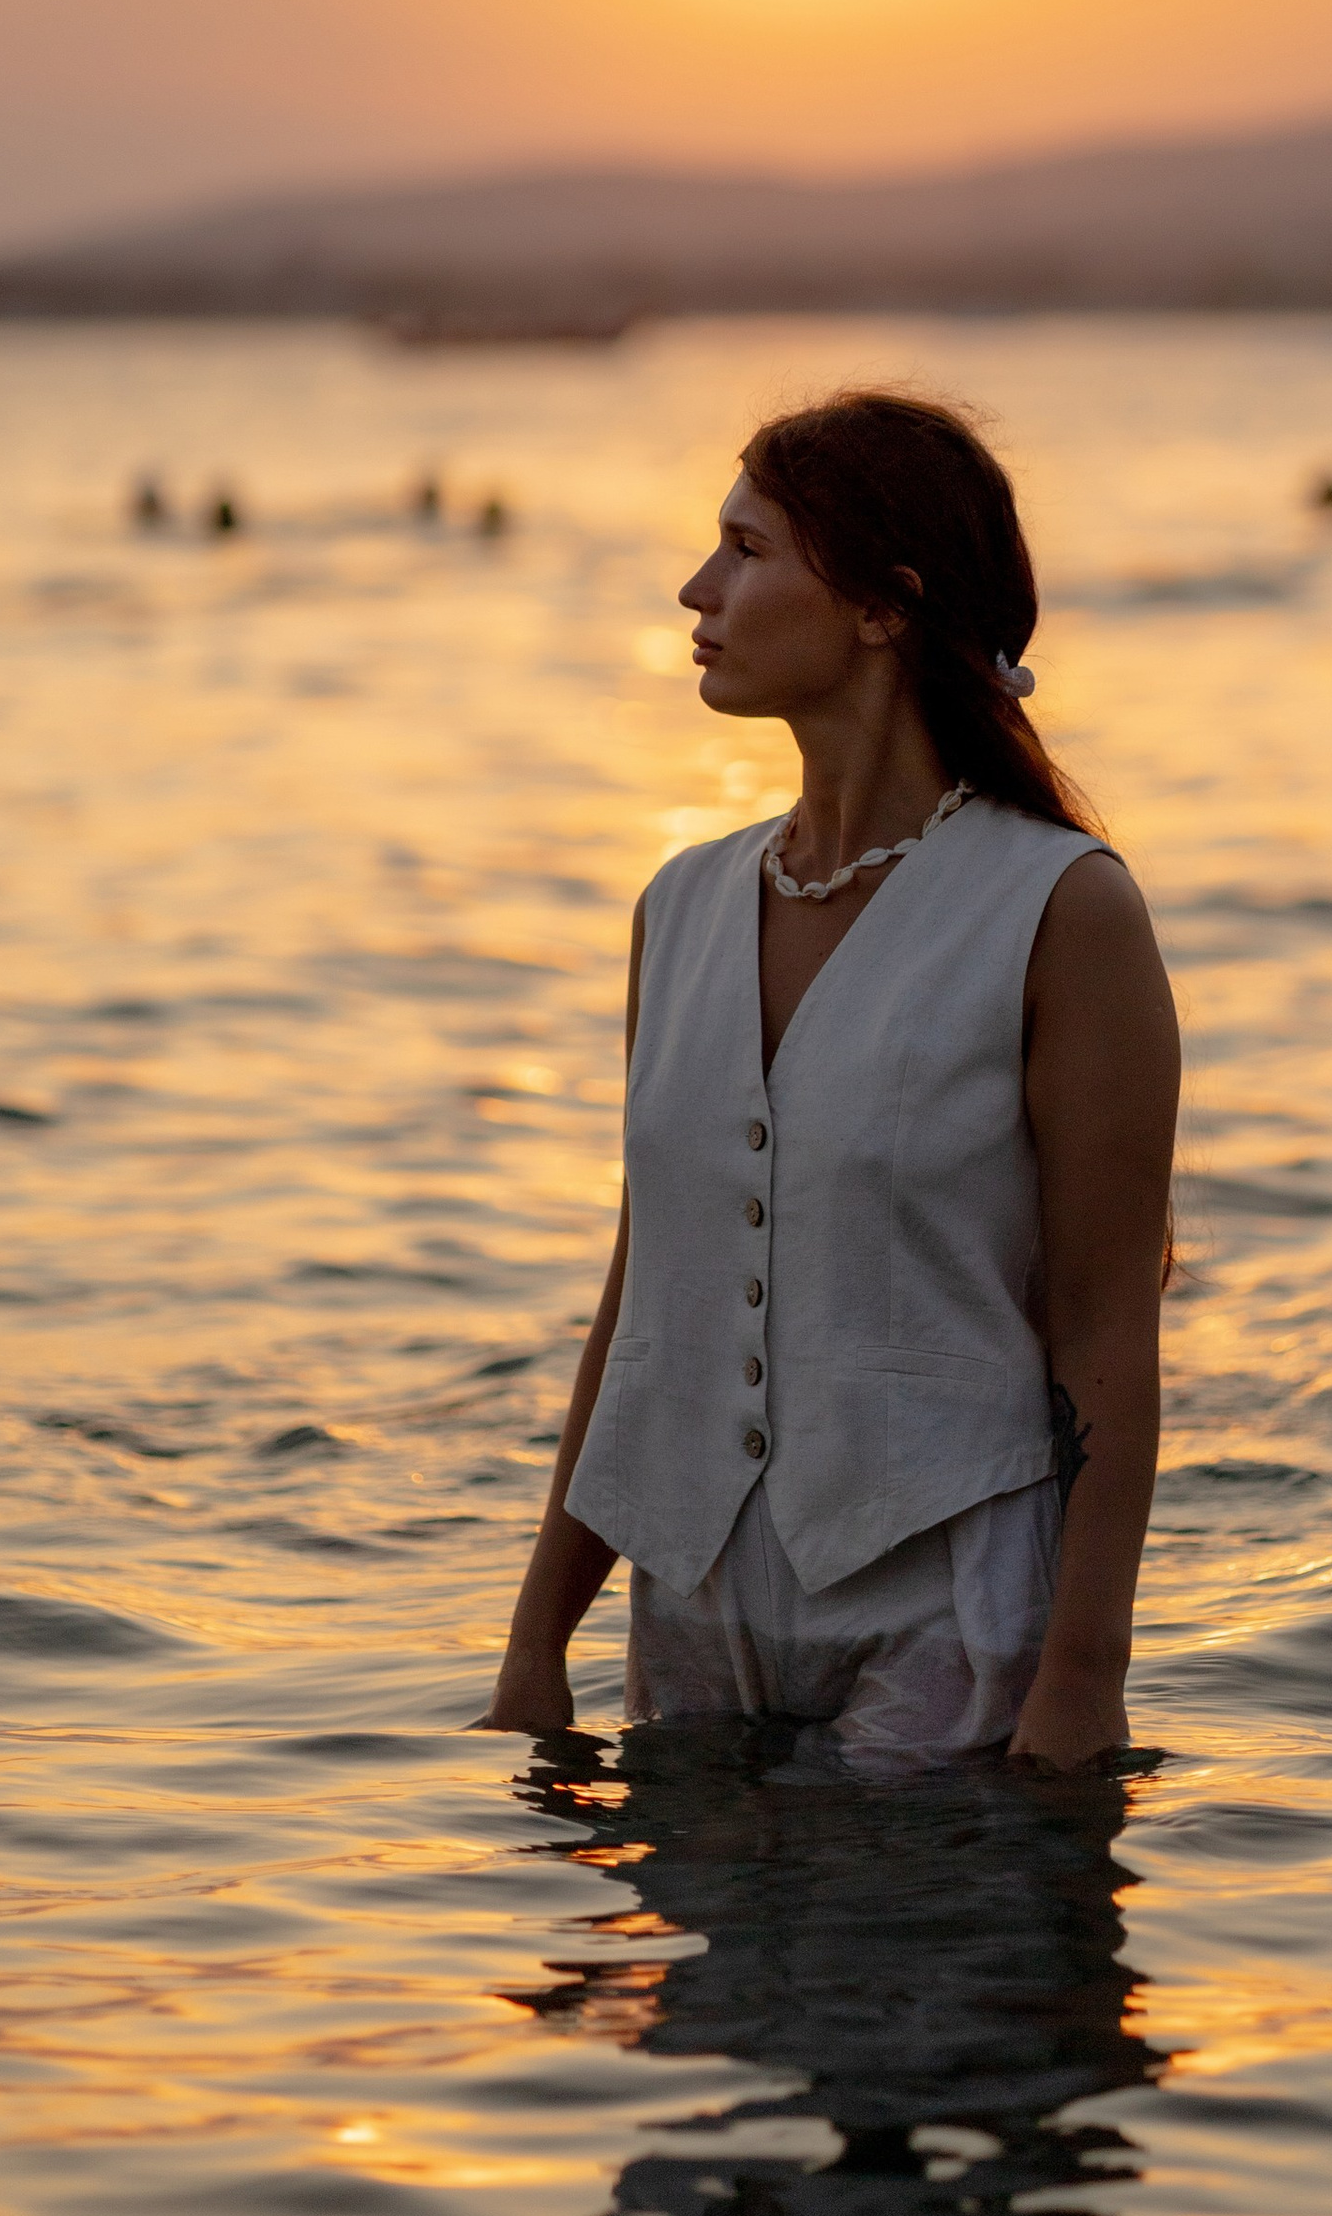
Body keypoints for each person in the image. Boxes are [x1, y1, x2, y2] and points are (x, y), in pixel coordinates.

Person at [476, 388, 1179, 1774]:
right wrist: (534, 1643)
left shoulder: (1061, 908)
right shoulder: (678, 907)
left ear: (882, 606)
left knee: (929, 1974)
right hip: (693, 1600)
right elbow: (645, 1294)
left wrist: (1084, 1679)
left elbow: (1108, 1328)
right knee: (708, 1989)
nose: (698, 588)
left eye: (747, 550)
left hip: (945, 1595)